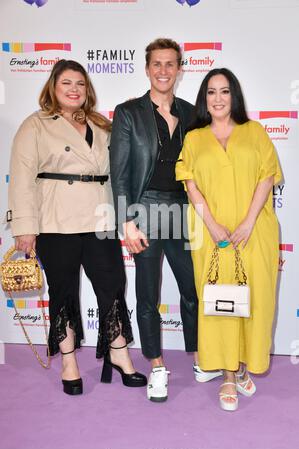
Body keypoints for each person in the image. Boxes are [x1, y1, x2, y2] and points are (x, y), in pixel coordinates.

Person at [7, 59, 147, 395]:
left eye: (80, 84)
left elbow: (118, 173)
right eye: (67, 83)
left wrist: (126, 218)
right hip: (56, 219)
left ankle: (118, 353)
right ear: (53, 87)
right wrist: (25, 226)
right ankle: (68, 360)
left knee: (112, 284)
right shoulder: (35, 125)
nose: (74, 89)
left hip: (100, 217)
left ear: (88, 90)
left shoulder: (102, 124)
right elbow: (22, 179)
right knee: (64, 291)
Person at [110, 38, 221, 403]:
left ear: (179, 69)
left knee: (192, 289)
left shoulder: (191, 114)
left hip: (183, 212)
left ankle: (199, 357)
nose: (163, 71)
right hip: (144, 210)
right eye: (156, 64)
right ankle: (156, 364)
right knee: (147, 293)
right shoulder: (128, 113)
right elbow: (120, 172)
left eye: (170, 64)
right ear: (147, 68)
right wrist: (127, 220)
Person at [176, 68, 282, 411]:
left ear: (234, 96)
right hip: (212, 235)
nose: (218, 98)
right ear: (203, 99)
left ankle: (244, 365)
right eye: (211, 92)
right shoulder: (194, 138)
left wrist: (248, 223)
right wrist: (212, 225)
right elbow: (190, 183)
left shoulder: (255, 132)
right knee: (220, 303)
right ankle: (227, 375)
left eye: (224, 91)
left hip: (255, 232)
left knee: (254, 300)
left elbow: (267, 178)